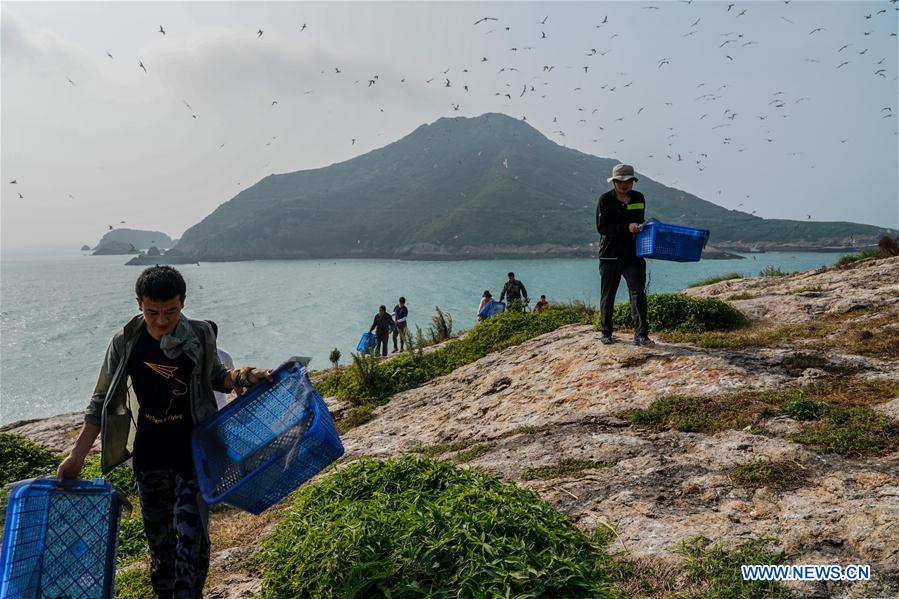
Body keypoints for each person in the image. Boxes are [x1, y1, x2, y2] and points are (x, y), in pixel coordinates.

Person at [56, 266, 273, 599]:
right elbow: (100, 401)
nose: (161, 320)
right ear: (139, 304)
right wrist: (77, 455)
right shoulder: (125, 341)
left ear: (182, 303)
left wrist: (247, 375)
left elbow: (219, 377)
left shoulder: (200, 334)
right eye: (152, 312)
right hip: (149, 456)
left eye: (170, 311)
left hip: (194, 453)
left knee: (192, 537)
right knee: (160, 547)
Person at [596, 163, 652, 346]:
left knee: (637, 293)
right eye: (620, 181)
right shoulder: (605, 200)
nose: (624, 185)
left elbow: (640, 220)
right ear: (613, 182)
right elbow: (602, 227)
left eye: (628, 181)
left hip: (633, 254)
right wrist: (626, 228)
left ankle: (641, 334)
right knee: (608, 295)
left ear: (633, 181)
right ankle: (606, 332)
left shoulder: (639, 197)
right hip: (610, 255)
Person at [206, 320, 241, 410]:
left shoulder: (224, 355)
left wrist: (242, 401)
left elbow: (234, 380)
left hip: (220, 407)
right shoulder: (190, 357)